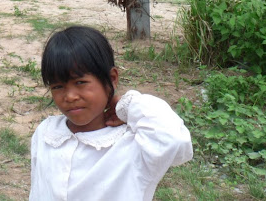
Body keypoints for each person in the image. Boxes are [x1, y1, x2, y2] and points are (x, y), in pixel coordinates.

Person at [30, 25, 193, 201]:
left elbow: (175, 141)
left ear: (112, 79)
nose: (69, 96)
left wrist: (127, 105)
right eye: (58, 86)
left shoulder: (133, 144)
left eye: (80, 82)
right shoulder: (47, 134)